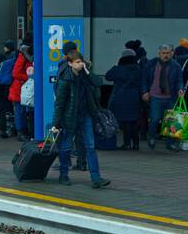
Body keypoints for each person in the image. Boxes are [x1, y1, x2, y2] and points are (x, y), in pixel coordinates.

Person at [50, 52, 111, 188]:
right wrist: (56, 123)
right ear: (70, 63)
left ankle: (96, 178)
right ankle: (63, 175)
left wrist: (87, 71)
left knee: (90, 146)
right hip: (70, 117)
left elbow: (98, 82)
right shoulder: (65, 79)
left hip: (85, 115)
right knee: (66, 148)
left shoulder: (85, 76)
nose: (80, 64)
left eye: (81, 62)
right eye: (77, 62)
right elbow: (59, 103)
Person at [141, 44, 185, 151]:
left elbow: (179, 80)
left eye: (168, 53)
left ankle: (170, 143)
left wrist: (180, 89)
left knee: (170, 122)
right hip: (155, 96)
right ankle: (151, 136)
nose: (166, 55)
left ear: (171, 53)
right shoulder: (151, 64)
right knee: (155, 119)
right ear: (159, 53)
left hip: (170, 97)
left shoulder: (176, 66)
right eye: (164, 53)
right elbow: (144, 79)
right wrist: (144, 92)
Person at [105, 49, 144, 150]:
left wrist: (116, 65)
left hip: (121, 97)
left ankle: (127, 144)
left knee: (125, 121)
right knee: (133, 121)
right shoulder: (138, 69)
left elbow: (108, 76)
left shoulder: (119, 68)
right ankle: (136, 144)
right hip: (134, 97)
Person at [9, 44, 31, 138]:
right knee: (20, 112)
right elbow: (15, 73)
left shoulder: (25, 57)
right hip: (20, 89)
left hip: (22, 89)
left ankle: (22, 131)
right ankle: (20, 131)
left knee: (21, 112)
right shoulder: (22, 58)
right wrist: (29, 78)